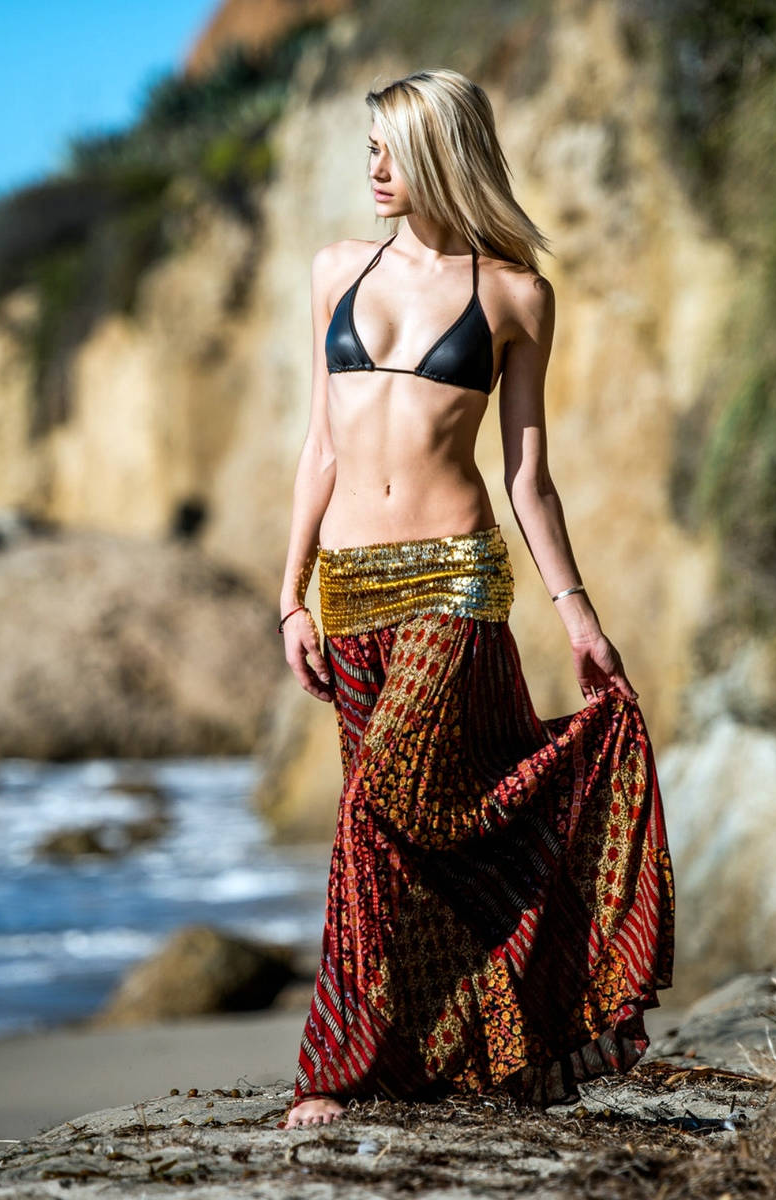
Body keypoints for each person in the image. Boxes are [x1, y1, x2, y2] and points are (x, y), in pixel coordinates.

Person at [274, 67, 675, 1131]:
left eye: (388, 149)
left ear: (441, 154)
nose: (371, 168)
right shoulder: (332, 272)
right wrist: (290, 597)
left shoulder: (514, 294)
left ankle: (338, 1069)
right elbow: (319, 447)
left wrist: (575, 612)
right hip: (348, 589)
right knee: (408, 832)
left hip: (455, 579)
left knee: (376, 807)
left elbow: (528, 478)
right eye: (365, 148)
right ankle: (486, 1043)